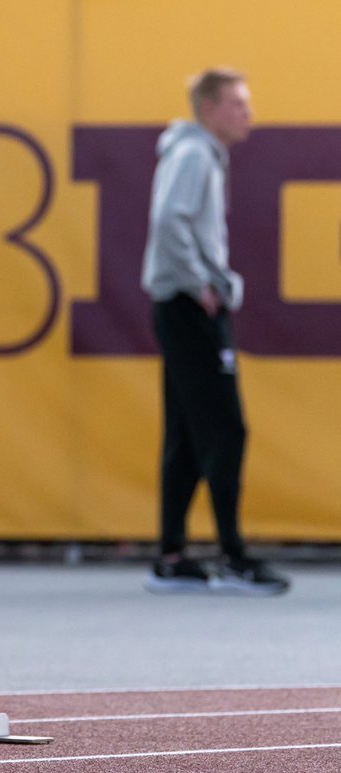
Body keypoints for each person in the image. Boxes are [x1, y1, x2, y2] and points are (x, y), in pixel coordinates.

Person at [141, 67, 288, 596]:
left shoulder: (197, 154)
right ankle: (233, 556)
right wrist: (202, 284)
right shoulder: (193, 154)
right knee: (226, 428)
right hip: (188, 306)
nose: (247, 113)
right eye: (237, 104)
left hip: (184, 304)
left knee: (186, 433)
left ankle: (172, 555)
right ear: (208, 109)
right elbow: (169, 222)